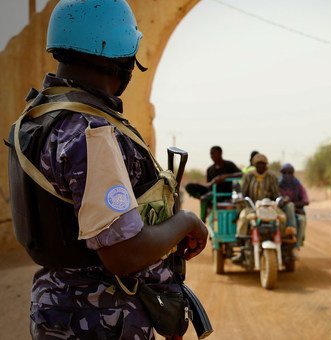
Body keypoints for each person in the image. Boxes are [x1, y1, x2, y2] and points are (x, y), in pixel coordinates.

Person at [6, 1, 208, 338]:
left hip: (58, 310)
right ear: (122, 59)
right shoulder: (90, 133)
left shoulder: (37, 120)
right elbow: (123, 254)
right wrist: (186, 221)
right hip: (101, 318)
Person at [237, 153, 289, 236]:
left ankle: (282, 238)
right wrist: (242, 199)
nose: (261, 166)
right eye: (258, 164)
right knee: (243, 218)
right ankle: (242, 238)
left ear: (266, 165)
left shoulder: (271, 177)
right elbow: (243, 193)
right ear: (255, 165)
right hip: (252, 207)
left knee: (282, 217)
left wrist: (280, 199)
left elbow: (276, 193)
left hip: (269, 207)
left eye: (263, 164)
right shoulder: (249, 176)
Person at [185, 145, 241, 221]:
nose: (212, 156)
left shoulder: (229, 165)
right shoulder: (210, 169)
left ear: (220, 153)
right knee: (189, 186)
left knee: (207, 196)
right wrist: (209, 183)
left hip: (223, 195)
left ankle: (202, 219)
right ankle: (204, 200)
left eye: (214, 153)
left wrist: (225, 176)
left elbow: (241, 174)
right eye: (211, 154)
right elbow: (209, 185)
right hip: (211, 192)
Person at [279, 163, 309, 250]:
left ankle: (296, 245)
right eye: (285, 173)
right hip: (280, 210)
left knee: (301, 220)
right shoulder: (277, 184)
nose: (287, 175)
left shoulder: (298, 185)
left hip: (296, 211)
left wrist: (291, 204)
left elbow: (306, 201)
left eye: (290, 173)